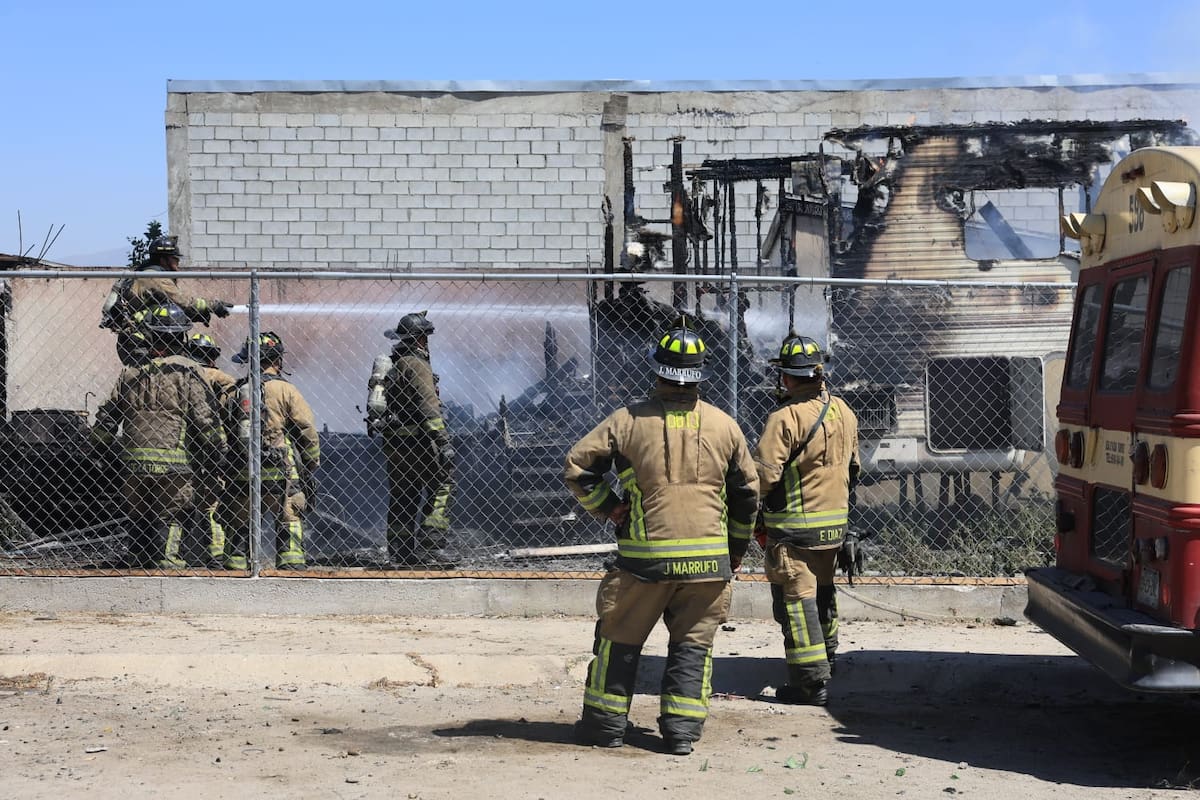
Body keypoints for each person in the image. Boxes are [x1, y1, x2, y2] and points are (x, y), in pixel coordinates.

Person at [564, 322, 759, 756]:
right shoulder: (726, 426)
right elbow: (748, 495)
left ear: (658, 372)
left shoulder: (627, 421)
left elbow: (578, 466)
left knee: (620, 640)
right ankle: (681, 735)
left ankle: (605, 727)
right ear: (700, 376)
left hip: (644, 564)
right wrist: (735, 551)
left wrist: (609, 507)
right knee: (693, 647)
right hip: (709, 564)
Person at [753, 334, 860, 706]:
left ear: (786, 378)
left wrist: (747, 515)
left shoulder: (784, 418)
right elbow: (855, 468)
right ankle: (828, 657)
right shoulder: (843, 411)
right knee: (825, 594)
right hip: (834, 528)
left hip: (794, 532)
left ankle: (810, 683)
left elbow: (763, 476)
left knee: (797, 603)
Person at [91, 303, 228, 569]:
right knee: (173, 515)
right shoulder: (188, 371)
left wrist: (100, 451)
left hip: (132, 467)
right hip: (175, 469)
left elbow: (107, 418)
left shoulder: (129, 373)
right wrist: (218, 455)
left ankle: (137, 560)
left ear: (152, 335)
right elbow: (206, 420)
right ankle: (168, 562)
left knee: (138, 515)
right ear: (181, 336)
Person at [221, 332, 320, 571]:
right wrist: (310, 461)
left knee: (239, 518)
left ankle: (235, 565)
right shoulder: (286, 391)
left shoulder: (235, 391)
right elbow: (306, 428)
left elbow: (223, 427)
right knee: (290, 513)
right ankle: (291, 563)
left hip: (243, 469)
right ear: (277, 361)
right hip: (281, 471)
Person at [374, 311, 458, 569]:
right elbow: (429, 408)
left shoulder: (396, 364)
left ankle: (400, 551)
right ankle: (431, 548)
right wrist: (443, 442)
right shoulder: (417, 365)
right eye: (426, 338)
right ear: (421, 339)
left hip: (395, 445)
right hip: (420, 444)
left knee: (402, 495)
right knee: (442, 485)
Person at [100, 235, 235, 366]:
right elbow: (184, 303)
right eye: (175, 258)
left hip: (139, 341)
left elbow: (169, 310)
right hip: (141, 343)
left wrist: (195, 315)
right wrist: (213, 306)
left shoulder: (147, 273)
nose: (178, 262)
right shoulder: (156, 278)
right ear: (163, 260)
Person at [186, 332, 238, 567]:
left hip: (184, 447)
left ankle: (181, 551)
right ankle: (217, 554)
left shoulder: (181, 374)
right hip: (215, 448)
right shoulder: (223, 379)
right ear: (212, 357)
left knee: (182, 501)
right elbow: (234, 413)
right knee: (213, 502)